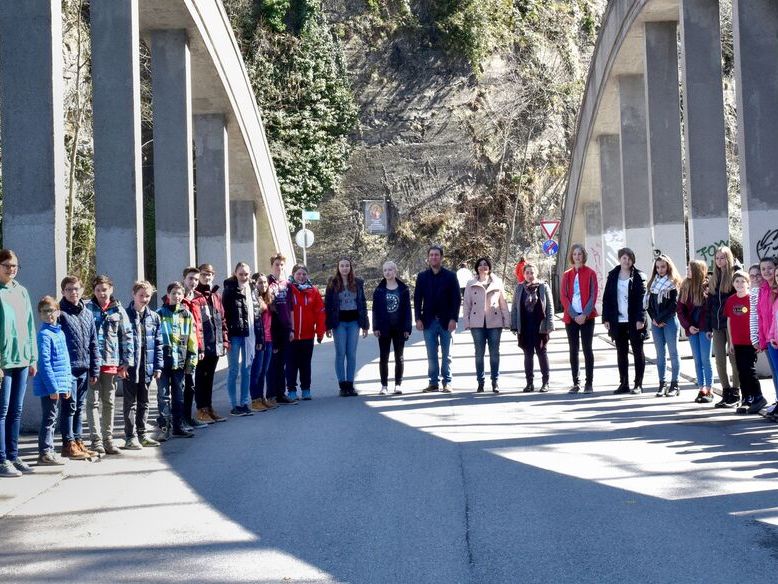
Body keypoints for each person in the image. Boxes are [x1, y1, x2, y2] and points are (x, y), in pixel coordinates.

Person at [86, 275, 133, 455]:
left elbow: (127, 337)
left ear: (111, 289)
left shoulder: (118, 310)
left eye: (104, 290)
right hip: (93, 364)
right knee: (92, 402)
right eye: (98, 290)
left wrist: (126, 363)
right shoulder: (87, 308)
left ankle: (108, 439)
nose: (101, 293)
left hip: (112, 363)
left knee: (110, 402)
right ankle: (96, 440)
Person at [0, 249, 37, 477]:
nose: (11, 269)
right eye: (7, 265)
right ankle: (1, 459)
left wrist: (32, 357)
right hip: (3, 362)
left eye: (14, 266)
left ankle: (13, 455)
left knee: (16, 411)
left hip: (22, 359)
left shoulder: (21, 291)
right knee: (2, 411)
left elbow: (30, 325)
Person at [57, 275, 99, 460]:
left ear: (82, 290)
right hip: (68, 369)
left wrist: (94, 368)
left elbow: (93, 342)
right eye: (69, 289)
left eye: (76, 289)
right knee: (69, 406)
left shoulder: (87, 313)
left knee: (80, 406)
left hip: (84, 367)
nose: (73, 293)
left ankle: (78, 440)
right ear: (63, 292)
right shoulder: (60, 314)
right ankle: (68, 443)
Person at [414, 245, 461, 393]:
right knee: (431, 355)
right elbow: (417, 299)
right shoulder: (422, 277)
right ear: (428, 258)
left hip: (446, 321)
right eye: (431, 255)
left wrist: (454, 319)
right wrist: (418, 319)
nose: (434, 257)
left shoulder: (450, 276)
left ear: (441, 257)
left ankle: (447, 382)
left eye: (436, 255)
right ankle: (433, 383)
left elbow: (456, 299)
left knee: (447, 355)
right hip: (428, 322)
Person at [123, 281, 163, 449]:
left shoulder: (154, 317)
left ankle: (142, 434)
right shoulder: (124, 315)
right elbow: (120, 341)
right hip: (130, 366)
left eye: (147, 296)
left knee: (144, 402)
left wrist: (158, 366)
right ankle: (130, 436)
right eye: (141, 295)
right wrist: (122, 365)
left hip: (147, 365)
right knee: (130, 402)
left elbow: (159, 343)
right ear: (134, 294)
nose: (145, 299)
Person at [602, 248, 647, 395]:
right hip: (618, 320)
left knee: (637, 352)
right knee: (621, 353)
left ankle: (638, 384)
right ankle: (624, 383)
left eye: (628, 258)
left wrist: (641, 318)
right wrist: (606, 318)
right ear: (619, 259)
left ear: (632, 260)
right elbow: (607, 299)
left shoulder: (639, 276)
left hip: (634, 320)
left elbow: (642, 300)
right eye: (623, 258)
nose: (626, 260)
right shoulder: (613, 275)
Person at [156, 282, 199, 439]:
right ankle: (164, 427)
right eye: (173, 293)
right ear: (168, 295)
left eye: (179, 293)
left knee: (179, 395)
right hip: (163, 361)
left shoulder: (186, 314)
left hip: (180, 361)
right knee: (163, 395)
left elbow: (192, 339)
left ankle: (178, 425)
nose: (176, 296)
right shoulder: (159, 313)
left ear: (183, 296)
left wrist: (191, 361)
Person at [34, 296, 73, 466]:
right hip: (49, 386)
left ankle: (49, 449)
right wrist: (52, 388)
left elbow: (65, 361)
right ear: (40, 314)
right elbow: (44, 364)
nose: (50, 314)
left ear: (58, 311)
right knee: (49, 418)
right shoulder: (44, 335)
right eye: (45, 311)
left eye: (52, 310)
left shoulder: (60, 332)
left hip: (59, 384)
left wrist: (67, 384)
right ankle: (45, 451)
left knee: (53, 417)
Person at [462, 257, 510, 393]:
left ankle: (495, 381)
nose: (483, 267)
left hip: (494, 323)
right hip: (477, 323)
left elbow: (503, 303)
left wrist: (507, 321)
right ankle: (480, 382)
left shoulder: (497, 282)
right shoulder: (471, 283)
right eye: (481, 265)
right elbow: (467, 304)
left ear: (489, 268)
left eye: (486, 265)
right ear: (477, 268)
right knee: (479, 354)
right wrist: (467, 321)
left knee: (494, 353)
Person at [325, 258, 369, 397]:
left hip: (354, 323)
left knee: (351, 354)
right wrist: (328, 325)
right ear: (338, 267)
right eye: (342, 266)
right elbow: (327, 305)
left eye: (347, 265)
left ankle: (350, 384)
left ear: (350, 267)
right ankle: (342, 385)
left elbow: (362, 303)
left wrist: (365, 324)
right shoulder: (333, 283)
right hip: (339, 324)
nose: (344, 268)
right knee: (340, 353)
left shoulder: (358, 282)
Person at [192, 264, 229, 423]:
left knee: (210, 378)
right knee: (201, 377)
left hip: (215, 343)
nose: (207, 277)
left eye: (210, 275)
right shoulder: (195, 295)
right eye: (204, 274)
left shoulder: (215, 295)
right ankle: (201, 409)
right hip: (202, 344)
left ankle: (209, 407)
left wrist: (225, 341)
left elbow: (222, 319)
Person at [726, 271, 766, 415]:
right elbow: (729, 320)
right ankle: (747, 397)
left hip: (750, 341)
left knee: (749, 369)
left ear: (748, 283)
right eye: (737, 281)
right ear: (733, 284)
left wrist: (758, 338)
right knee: (741, 371)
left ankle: (758, 396)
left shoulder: (752, 299)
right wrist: (730, 341)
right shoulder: (730, 300)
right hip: (737, 341)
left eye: (743, 281)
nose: (739, 284)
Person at [222, 262, 260, 415]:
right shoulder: (229, 290)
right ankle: (233, 405)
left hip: (248, 333)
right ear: (235, 273)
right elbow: (224, 314)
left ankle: (244, 402)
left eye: (246, 274)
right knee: (233, 370)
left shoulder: (252, 289)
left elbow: (256, 312)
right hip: (234, 334)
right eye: (241, 274)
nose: (244, 277)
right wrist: (226, 337)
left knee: (246, 369)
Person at [560, 243, 598, 394]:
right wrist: (575, 315)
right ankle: (576, 382)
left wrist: (584, 314)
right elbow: (563, 296)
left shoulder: (590, 273)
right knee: (573, 349)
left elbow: (593, 295)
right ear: (571, 256)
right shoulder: (566, 275)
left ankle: (589, 382)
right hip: (572, 318)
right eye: (575, 254)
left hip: (587, 317)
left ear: (583, 256)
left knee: (587, 349)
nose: (577, 256)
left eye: (579, 254)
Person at [511, 263, 554, 393]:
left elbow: (550, 307)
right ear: (524, 275)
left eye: (532, 273)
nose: (530, 275)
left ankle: (545, 382)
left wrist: (549, 324)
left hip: (540, 326)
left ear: (536, 273)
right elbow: (514, 308)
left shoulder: (543, 286)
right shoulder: (519, 288)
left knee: (542, 353)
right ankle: (529, 383)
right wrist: (514, 325)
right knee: (528, 355)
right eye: (527, 273)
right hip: (525, 326)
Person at [706, 246, 741, 407]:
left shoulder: (735, 276)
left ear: (728, 258)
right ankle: (725, 391)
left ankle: (736, 392)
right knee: (719, 360)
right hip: (716, 325)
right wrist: (708, 327)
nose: (720, 261)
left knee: (734, 358)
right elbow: (709, 306)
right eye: (717, 258)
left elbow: (740, 301)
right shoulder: (713, 278)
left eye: (722, 258)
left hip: (731, 324)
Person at [372, 261, 412, 395]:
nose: (387, 272)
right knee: (384, 357)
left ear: (395, 271)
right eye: (385, 270)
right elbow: (375, 310)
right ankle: (384, 386)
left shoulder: (403, 289)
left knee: (399, 357)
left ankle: (398, 384)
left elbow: (407, 310)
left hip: (399, 328)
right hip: (384, 328)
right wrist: (376, 327)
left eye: (390, 270)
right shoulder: (379, 290)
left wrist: (407, 328)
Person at [646, 254, 682, 398]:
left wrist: (661, 318)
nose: (660, 269)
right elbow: (648, 304)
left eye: (663, 266)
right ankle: (662, 384)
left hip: (670, 322)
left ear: (668, 267)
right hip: (656, 323)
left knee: (673, 353)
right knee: (660, 354)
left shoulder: (673, 283)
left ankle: (675, 384)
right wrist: (654, 318)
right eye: (658, 267)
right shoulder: (652, 284)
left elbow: (674, 305)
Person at [288, 265, 326, 400]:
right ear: (293, 275)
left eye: (304, 274)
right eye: (298, 274)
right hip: (291, 336)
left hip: (307, 335)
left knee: (305, 364)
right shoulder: (287, 289)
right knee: (291, 364)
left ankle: (306, 389)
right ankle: (291, 390)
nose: (301, 277)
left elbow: (320, 313)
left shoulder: (313, 291)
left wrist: (320, 332)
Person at [678, 260, 713, 402]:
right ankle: (701, 389)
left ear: (698, 271)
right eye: (687, 269)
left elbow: (710, 310)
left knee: (706, 359)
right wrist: (688, 326)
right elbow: (680, 310)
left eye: (690, 269)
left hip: (705, 329)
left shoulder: (707, 286)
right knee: (697, 360)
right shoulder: (685, 286)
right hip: (691, 329)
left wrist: (709, 328)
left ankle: (709, 389)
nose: (687, 271)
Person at [266, 253, 295, 405]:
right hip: (272, 328)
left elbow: (290, 308)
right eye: (276, 264)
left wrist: (292, 329)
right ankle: (270, 394)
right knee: (273, 362)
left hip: (285, 327)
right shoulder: (267, 282)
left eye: (281, 265)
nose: (279, 267)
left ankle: (280, 393)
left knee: (282, 362)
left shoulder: (287, 285)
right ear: (272, 265)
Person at [181, 267, 206, 430]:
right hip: (180, 349)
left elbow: (199, 326)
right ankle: (180, 419)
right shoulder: (176, 298)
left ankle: (189, 417)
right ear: (184, 279)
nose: (193, 282)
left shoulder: (198, 299)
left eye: (196, 279)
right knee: (180, 385)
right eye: (191, 278)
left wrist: (201, 348)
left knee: (190, 384)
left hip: (194, 348)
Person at [753, 257, 778, 415]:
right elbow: (761, 317)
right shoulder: (763, 290)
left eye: (770, 268)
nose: (766, 271)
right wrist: (761, 340)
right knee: (775, 372)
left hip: (776, 337)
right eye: (763, 269)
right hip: (769, 339)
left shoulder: (775, 290)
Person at [249, 273, 275, 411]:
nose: (263, 285)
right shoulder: (253, 299)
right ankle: (255, 399)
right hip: (259, 340)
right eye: (260, 282)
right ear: (255, 284)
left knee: (264, 370)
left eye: (265, 282)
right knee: (256, 371)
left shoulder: (268, 298)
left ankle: (262, 397)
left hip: (269, 339)